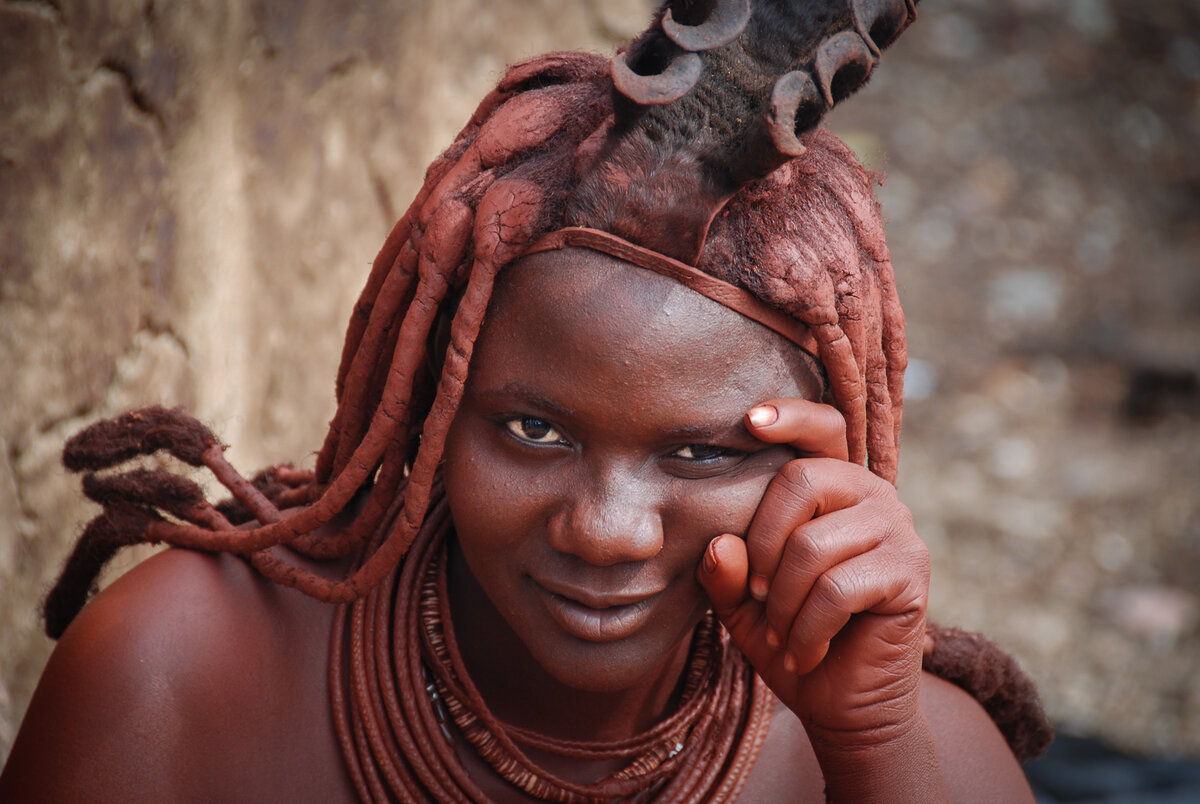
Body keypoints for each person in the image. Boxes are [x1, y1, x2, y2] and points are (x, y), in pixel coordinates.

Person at [0, 1, 1051, 801]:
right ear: (427, 403)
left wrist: (876, 745)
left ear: (820, 467)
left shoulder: (899, 749)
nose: (604, 531)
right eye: (533, 429)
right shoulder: (176, 685)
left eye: (702, 455)